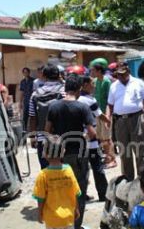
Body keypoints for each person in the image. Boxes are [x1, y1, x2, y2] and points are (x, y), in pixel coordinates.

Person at [45, 74, 96, 229]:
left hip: (60, 156)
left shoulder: (54, 106)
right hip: (79, 155)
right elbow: (92, 132)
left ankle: (62, 223)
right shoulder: (82, 107)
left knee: (61, 189)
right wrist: (83, 137)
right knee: (78, 189)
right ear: (79, 89)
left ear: (65, 88)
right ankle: (76, 225)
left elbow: (47, 131)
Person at [107, 62, 144, 181]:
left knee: (139, 150)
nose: (121, 77)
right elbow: (110, 105)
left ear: (128, 72)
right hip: (120, 121)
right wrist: (108, 119)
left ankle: (143, 180)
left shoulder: (138, 83)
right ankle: (128, 180)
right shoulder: (114, 86)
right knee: (124, 152)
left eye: (123, 74)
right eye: (119, 75)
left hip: (137, 119)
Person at [33, 136, 81, 229]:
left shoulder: (43, 175)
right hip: (68, 217)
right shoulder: (68, 170)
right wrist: (76, 209)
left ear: (45, 154)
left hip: (52, 219)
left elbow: (40, 198)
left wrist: (39, 213)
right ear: (63, 152)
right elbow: (75, 193)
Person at [78, 76, 110, 202]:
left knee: (82, 170)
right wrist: (108, 120)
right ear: (85, 84)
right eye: (92, 83)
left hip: (79, 141)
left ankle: (82, 194)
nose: (94, 86)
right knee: (97, 168)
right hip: (91, 140)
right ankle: (103, 194)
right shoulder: (89, 100)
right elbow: (99, 115)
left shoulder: (77, 99)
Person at [28, 64, 65, 169]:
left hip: (42, 137)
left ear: (43, 75)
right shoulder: (63, 91)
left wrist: (32, 137)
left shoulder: (35, 94)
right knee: (62, 170)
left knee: (45, 170)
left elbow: (32, 117)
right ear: (58, 75)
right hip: (61, 137)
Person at [89, 58, 117, 168]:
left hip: (105, 113)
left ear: (99, 71)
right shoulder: (95, 82)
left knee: (107, 137)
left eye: (93, 70)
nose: (91, 72)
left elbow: (109, 100)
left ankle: (112, 159)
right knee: (101, 137)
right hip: (97, 113)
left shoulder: (106, 81)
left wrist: (108, 115)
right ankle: (107, 157)